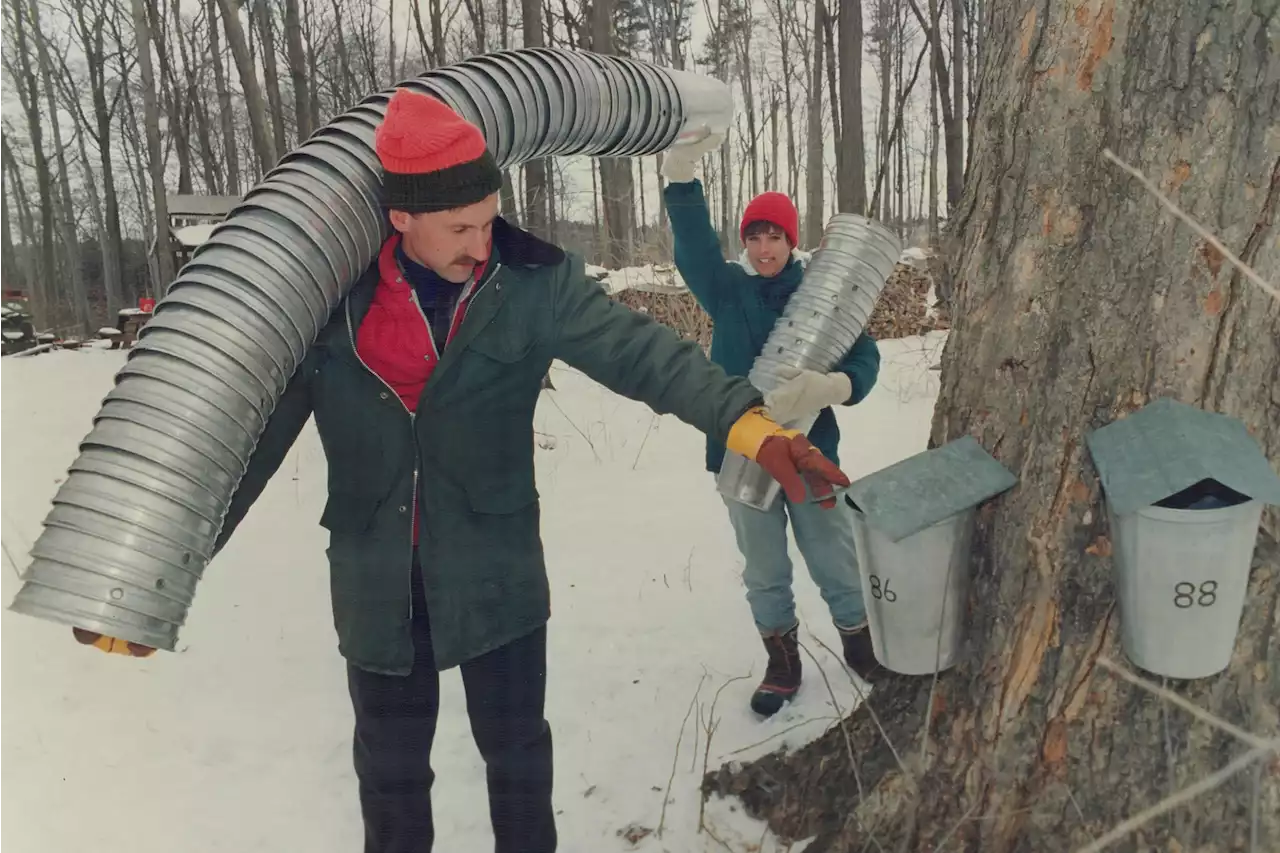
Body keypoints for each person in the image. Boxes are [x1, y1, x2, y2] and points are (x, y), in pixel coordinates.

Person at [69, 90, 854, 853]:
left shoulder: (532, 282)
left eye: (488, 219)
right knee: (391, 782)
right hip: (377, 581)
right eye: (460, 227)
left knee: (518, 768)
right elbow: (245, 447)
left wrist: (753, 427)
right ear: (400, 218)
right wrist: (148, 580)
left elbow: (646, 357)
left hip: (496, 573)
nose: (482, 243)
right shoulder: (328, 302)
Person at [660, 132, 883, 718]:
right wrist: (682, 178)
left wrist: (834, 386)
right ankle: (782, 661)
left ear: (792, 239)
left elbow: (865, 357)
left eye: (774, 236)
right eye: (754, 237)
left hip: (810, 451)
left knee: (833, 556)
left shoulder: (821, 294)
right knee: (764, 567)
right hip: (741, 453)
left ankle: (861, 645)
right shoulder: (727, 291)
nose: (764, 248)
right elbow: (694, 249)